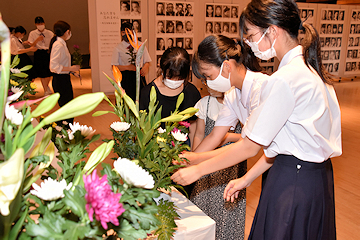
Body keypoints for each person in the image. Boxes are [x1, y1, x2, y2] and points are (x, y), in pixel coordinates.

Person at [172, 1, 341, 239]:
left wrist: (198, 169)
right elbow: (281, 145)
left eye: (251, 35)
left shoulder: (284, 79)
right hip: (314, 179)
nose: (249, 44)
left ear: (272, 30)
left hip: (292, 181)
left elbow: (250, 146)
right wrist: (245, 178)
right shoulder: (310, 70)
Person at [180, 34, 266, 240]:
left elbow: (249, 147)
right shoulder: (232, 94)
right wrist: (187, 159)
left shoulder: (261, 88)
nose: (207, 82)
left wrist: (197, 167)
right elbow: (215, 138)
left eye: (208, 76)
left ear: (226, 66)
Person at [140, 47, 201, 146]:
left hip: (182, 144)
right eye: (170, 76)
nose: (175, 81)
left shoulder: (191, 92)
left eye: (180, 78)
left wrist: (193, 153)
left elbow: (194, 126)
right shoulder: (147, 93)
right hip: (155, 146)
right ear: (161, 67)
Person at [49, 21, 80, 124]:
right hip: (60, 80)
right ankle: (63, 131)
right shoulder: (58, 45)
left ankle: (65, 131)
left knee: (68, 107)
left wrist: (71, 72)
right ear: (67, 32)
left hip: (64, 78)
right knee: (67, 108)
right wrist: (70, 68)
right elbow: (53, 67)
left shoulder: (61, 43)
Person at [111, 22, 151, 101]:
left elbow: (147, 61)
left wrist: (145, 67)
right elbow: (114, 66)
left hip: (138, 76)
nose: (126, 34)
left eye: (128, 32)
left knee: (141, 100)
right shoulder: (118, 48)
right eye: (123, 32)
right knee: (126, 101)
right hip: (125, 77)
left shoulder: (140, 45)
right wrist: (128, 67)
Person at [27, 16, 54, 96]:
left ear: (44, 23)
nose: (40, 25)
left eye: (41, 23)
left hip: (48, 52)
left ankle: (46, 86)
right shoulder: (33, 33)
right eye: (38, 24)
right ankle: (45, 90)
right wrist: (37, 40)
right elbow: (31, 45)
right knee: (42, 73)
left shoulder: (49, 33)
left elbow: (53, 43)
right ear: (35, 24)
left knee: (49, 72)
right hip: (38, 52)